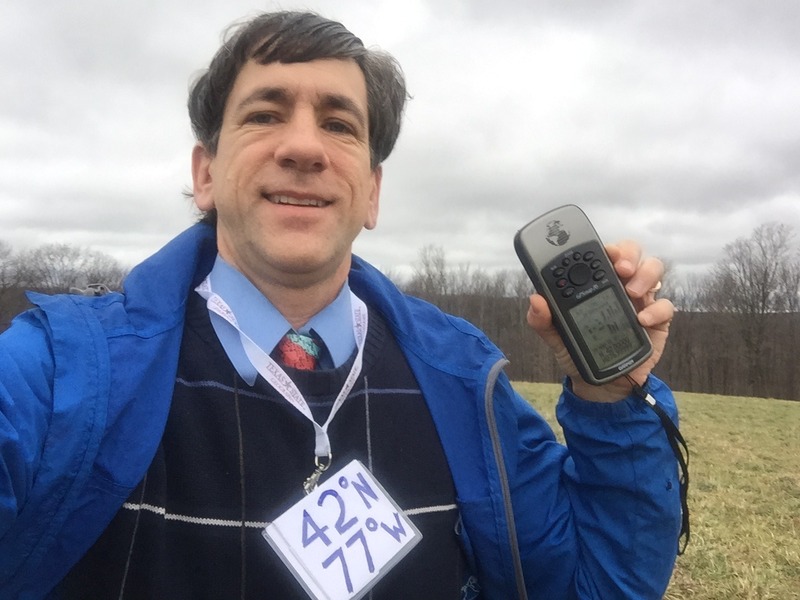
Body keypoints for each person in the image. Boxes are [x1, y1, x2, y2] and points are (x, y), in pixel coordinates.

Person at [0, 11, 684, 600]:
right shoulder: (59, 376)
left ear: (372, 193)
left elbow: (597, 585)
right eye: (265, 114)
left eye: (339, 124)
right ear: (204, 175)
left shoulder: (465, 384)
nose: (303, 147)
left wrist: (609, 399)